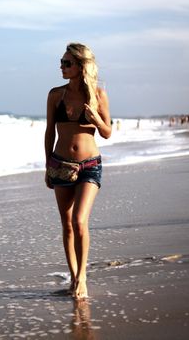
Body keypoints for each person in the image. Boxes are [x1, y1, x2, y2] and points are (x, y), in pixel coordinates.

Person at [44, 43, 112, 300]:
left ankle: (82, 276)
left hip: (90, 165)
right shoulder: (55, 95)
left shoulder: (98, 94)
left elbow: (107, 132)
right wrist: (48, 164)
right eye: (61, 62)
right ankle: (73, 275)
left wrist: (95, 118)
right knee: (67, 225)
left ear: (81, 66)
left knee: (79, 221)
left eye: (67, 63)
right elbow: (50, 130)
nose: (62, 67)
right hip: (61, 164)